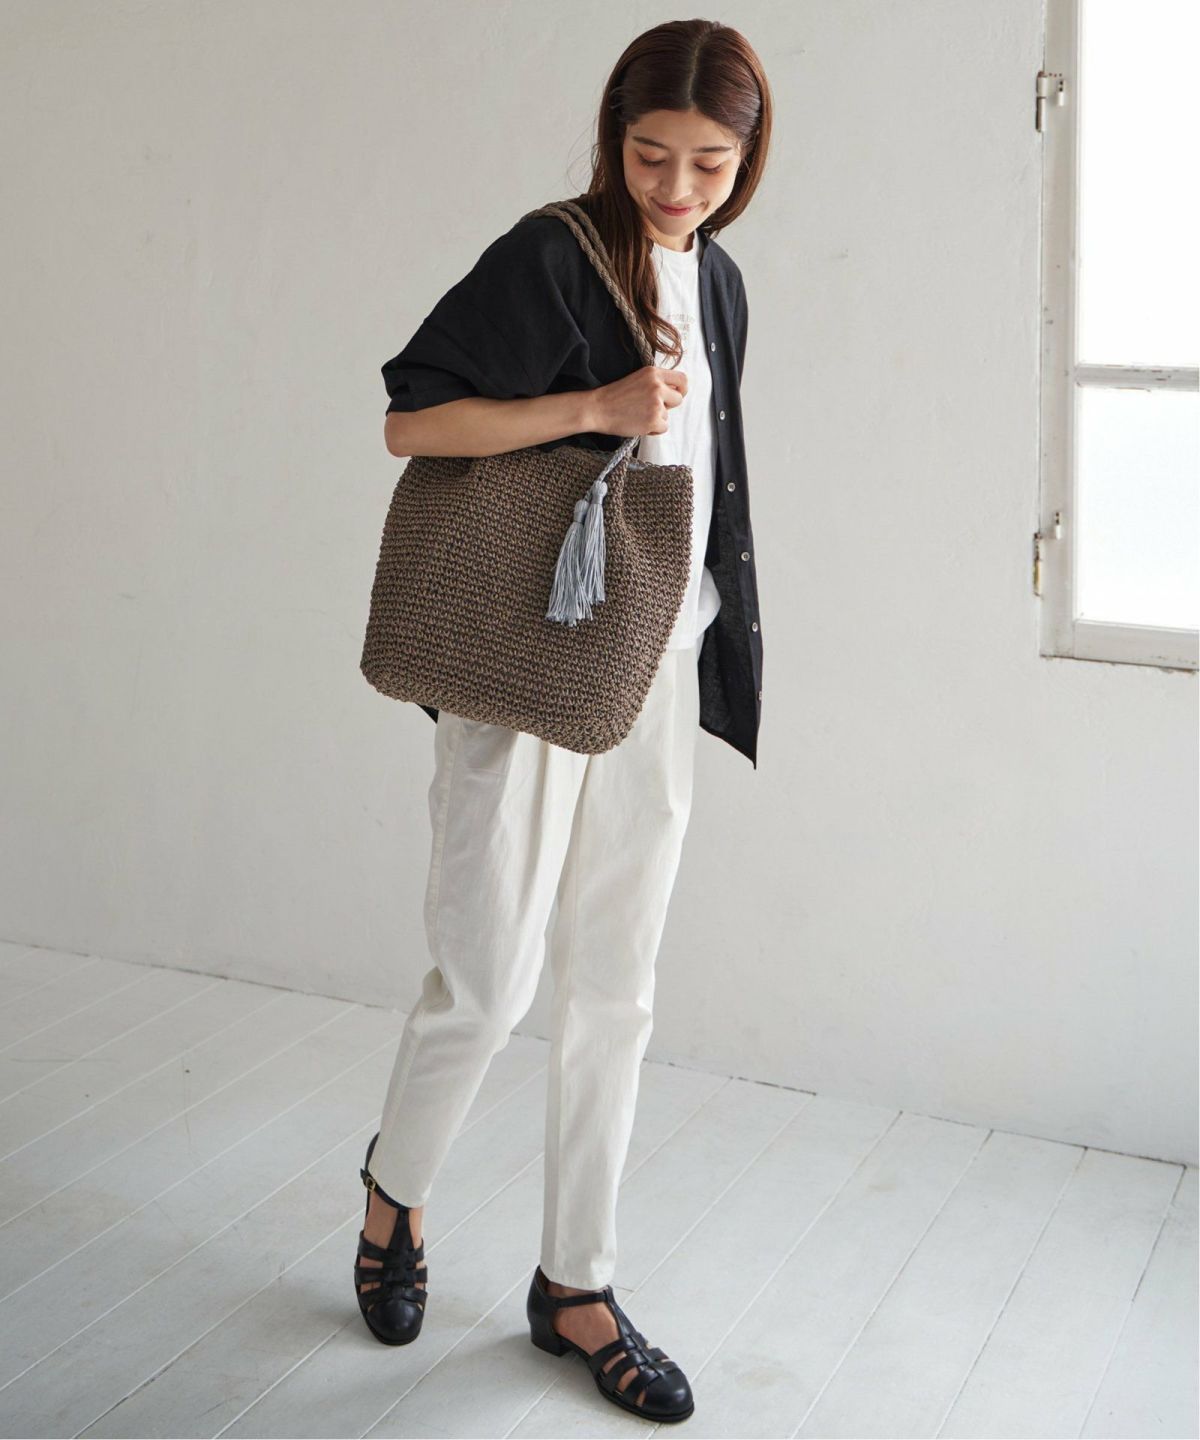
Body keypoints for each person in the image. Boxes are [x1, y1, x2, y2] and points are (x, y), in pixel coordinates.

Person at [355, 17, 771, 1423]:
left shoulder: (721, 280)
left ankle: (575, 1283)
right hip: (532, 662)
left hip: (659, 662)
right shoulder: (553, 254)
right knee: (487, 980)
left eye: (709, 163)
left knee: (616, 988)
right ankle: (394, 1195)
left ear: (748, 159)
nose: (678, 188)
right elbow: (413, 423)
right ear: (614, 137)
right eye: (652, 155)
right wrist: (592, 403)